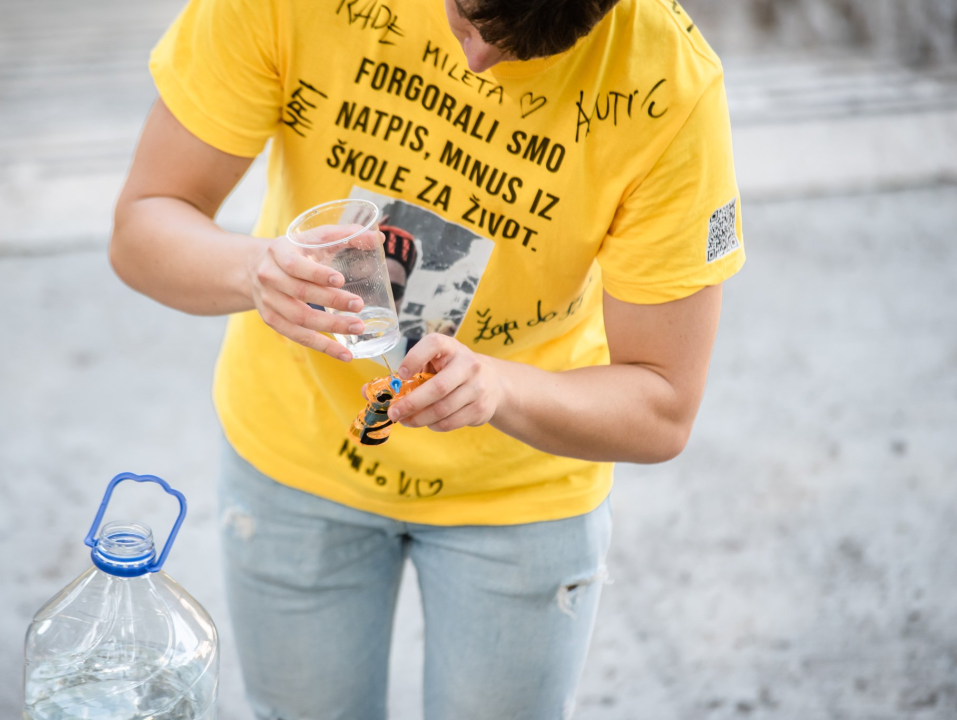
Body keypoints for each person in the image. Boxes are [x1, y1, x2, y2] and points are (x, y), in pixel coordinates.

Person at [110, 0, 745, 716]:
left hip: (518, 496)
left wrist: (498, 390)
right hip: (295, 461)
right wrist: (254, 272)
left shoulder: (668, 81)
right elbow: (143, 224)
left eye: (530, 49)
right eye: (466, 19)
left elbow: (662, 407)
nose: (476, 63)